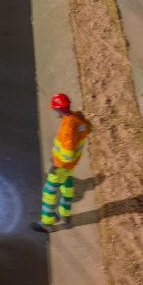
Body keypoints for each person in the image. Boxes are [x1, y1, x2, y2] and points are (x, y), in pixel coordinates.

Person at [31, 93, 92, 233]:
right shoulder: (78, 119)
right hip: (71, 166)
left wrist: (56, 164)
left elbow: (67, 154)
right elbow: (88, 128)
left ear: (58, 109)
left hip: (61, 167)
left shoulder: (67, 129)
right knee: (67, 188)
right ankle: (66, 215)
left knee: (49, 192)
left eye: (54, 108)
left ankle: (47, 223)